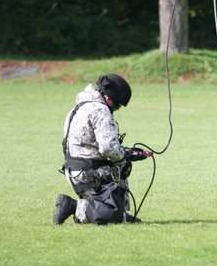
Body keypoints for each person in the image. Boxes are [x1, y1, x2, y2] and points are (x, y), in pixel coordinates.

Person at [54, 74, 152, 225]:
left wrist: (128, 152)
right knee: (121, 168)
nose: (117, 109)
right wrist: (124, 157)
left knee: (120, 163)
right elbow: (108, 148)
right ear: (108, 98)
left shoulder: (79, 107)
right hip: (88, 172)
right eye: (117, 105)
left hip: (75, 169)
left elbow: (91, 145)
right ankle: (75, 207)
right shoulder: (100, 110)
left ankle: (106, 211)